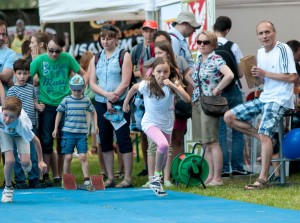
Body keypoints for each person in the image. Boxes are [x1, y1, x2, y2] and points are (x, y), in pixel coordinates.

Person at [224, 21, 297, 190]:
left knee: (265, 134)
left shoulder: (283, 49)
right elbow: (263, 81)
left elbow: (293, 78)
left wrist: (265, 73)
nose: (264, 36)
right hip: (265, 97)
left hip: (280, 99)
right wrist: (256, 77)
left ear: (274, 32)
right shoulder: (260, 52)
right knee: (229, 117)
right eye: (261, 33)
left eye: (267, 32)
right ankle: (265, 139)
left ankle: (262, 179)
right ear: (257, 36)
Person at [123, 57, 190, 196]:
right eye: (159, 71)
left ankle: (157, 180)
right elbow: (134, 88)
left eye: (165, 71)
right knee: (163, 145)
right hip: (149, 123)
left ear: (169, 72)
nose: (162, 74)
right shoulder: (147, 85)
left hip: (166, 124)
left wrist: (172, 86)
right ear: (153, 72)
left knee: (164, 155)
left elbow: (187, 99)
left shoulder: (172, 84)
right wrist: (125, 103)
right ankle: (156, 177)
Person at [30, 34, 87, 187]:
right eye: (51, 50)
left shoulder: (67, 58)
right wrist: (35, 101)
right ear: (45, 48)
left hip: (65, 105)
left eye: (58, 51)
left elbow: (84, 74)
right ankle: (45, 175)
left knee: (64, 141)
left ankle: (60, 176)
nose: (54, 54)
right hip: (46, 105)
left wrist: (81, 92)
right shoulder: (40, 60)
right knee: (46, 141)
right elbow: (26, 80)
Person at [185, 30, 234, 186]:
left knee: (212, 141)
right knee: (204, 142)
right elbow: (188, 75)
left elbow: (230, 75)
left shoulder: (216, 58)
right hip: (198, 102)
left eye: (205, 42)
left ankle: (217, 178)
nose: (201, 45)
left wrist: (217, 88)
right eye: (199, 42)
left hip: (210, 103)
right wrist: (197, 86)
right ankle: (209, 176)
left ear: (212, 44)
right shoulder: (199, 59)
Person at [89, 24, 133, 188]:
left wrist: (114, 95)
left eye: (109, 38)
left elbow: (126, 81)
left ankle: (127, 178)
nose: (105, 41)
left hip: (119, 102)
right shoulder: (96, 57)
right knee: (105, 139)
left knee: (122, 138)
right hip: (101, 102)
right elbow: (92, 83)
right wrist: (106, 95)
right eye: (103, 38)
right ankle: (110, 176)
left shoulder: (124, 55)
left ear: (116, 39)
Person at [213, 16, 249, 177]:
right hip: (233, 90)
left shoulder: (208, 44)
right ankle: (237, 166)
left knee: (220, 130)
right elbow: (240, 73)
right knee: (237, 128)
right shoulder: (233, 46)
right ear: (227, 30)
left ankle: (223, 169)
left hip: (217, 91)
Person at [52, 74, 98, 187]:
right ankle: (66, 179)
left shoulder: (86, 100)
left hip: (81, 133)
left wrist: (95, 125)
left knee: (83, 156)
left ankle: (87, 179)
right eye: (74, 90)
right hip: (68, 133)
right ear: (70, 88)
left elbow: (94, 111)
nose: (77, 92)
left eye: (79, 90)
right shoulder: (66, 100)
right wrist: (55, 128)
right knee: (67, 157)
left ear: (83, 88)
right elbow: (59, 113)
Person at [7, 59, 46, 189]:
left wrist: (38, 107)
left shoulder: (31, 88)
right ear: (14, 74)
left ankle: (34, 179)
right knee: (17, 154)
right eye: (19, 73)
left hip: (31, 125)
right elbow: (10, 109)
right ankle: (20, 180)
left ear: (29, 74)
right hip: (17, 127)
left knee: (33, 154)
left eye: (25, 73)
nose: (22, 76)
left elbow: (34, 102)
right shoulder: (12, 91)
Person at [1, 96, 47, 203]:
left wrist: (40, 161)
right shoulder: (1, 116)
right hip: (4, 132)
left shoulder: (23, 124)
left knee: (25, 162)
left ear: (18, 116)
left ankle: (24, 160)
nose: (7, 120)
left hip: (20, 134)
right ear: (2, 110)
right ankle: (8, 188)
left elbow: (36, 141)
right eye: (5, 115)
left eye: (12, 117)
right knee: (10, 161)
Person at [130, 20, 158, 177]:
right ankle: (148, 166)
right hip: (141, 93)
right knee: (142, 130)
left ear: (155, 32)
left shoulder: (158, 48)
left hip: (156, 91)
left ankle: (157, 166)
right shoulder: (136, 49)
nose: (148, 33)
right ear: (142, 31)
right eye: (146, 30)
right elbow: (132, 68)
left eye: (151, 30)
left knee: (156, 128)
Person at [0, 20, 18, 91]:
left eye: (3, 34)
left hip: (3, 100)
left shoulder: (11, 54)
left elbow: (5, 76)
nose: (1, 38)